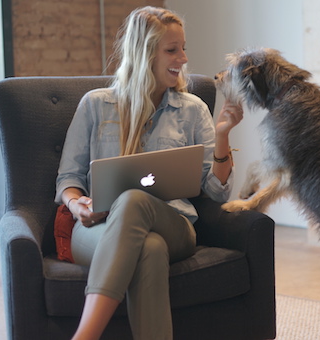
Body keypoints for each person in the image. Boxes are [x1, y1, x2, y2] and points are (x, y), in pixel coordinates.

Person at [55, 6, 243, 340]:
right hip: (98, 228)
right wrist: (75, 205)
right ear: (143, 55)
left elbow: (216, 192)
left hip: (176, 226)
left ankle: (85, 335)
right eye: (172, 50)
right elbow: (68, 179)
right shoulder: (95, 105)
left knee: (133, 201)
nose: (183, 58)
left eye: (183, 48)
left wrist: (224, 136)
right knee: (150, 249)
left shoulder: (193, 110)